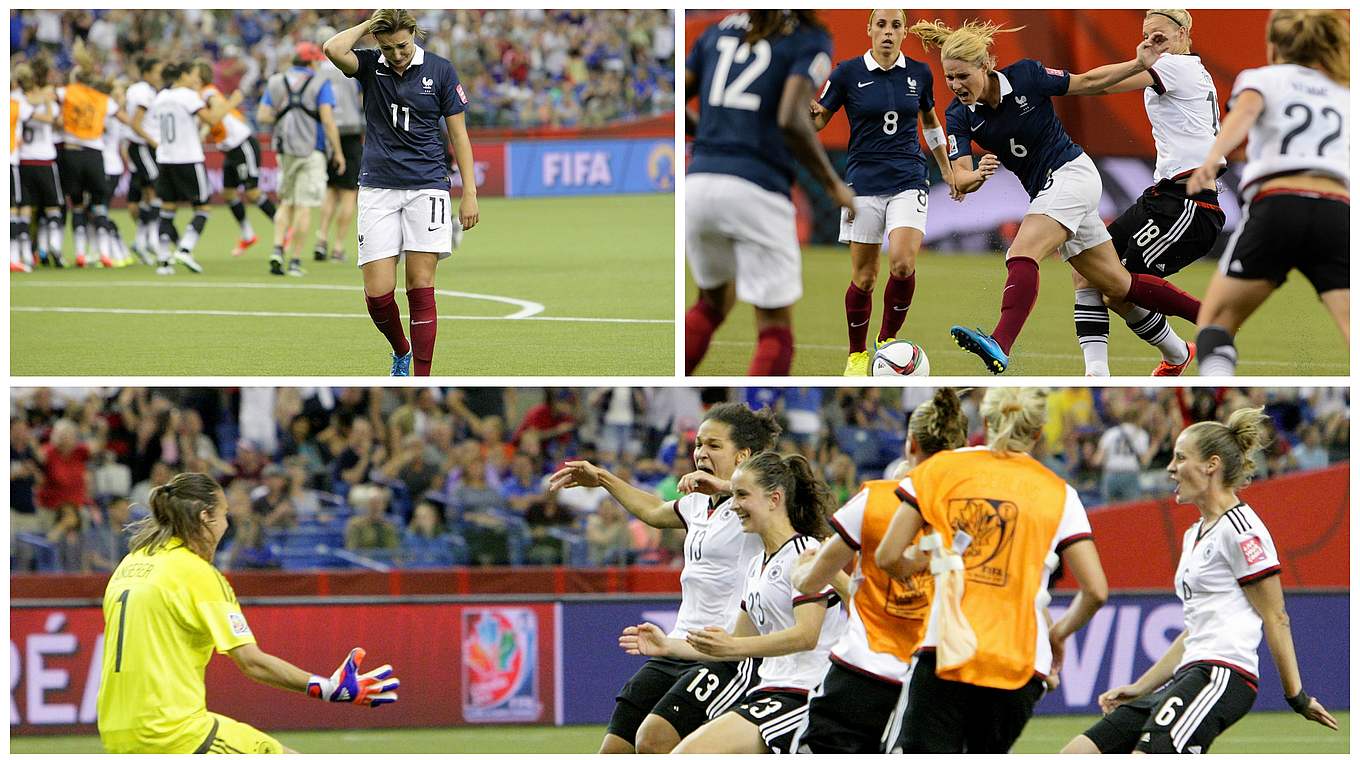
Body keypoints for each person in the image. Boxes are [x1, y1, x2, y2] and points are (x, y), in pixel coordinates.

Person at [911, 19, 1203, 374]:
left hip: (1072, 174)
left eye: (963, 76)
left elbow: (1086, 82)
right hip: (1048, 192)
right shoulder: (958, 115)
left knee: (1022, 250)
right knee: (1116, 284)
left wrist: (1138, 63)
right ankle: (1202, 324)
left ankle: (1000, 343)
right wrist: (976, 175)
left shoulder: (1027, 76)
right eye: (949, 78)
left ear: (985, 66)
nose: (956, 86)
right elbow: (959, 177)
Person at [1062, 407, 1337, 753]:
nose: (1170, 467)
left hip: (1223, 675)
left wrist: (1296, 696)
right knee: (1077, 752)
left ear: (1211, 465)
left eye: (1180, 458)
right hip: (1189, 674)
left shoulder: (1242, 530)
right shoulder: (1194, 534)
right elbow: (1198, 629)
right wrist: (1141, 685)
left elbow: (1276, 615)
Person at [874, 387, 1109, 752]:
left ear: (984, 421)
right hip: (1020, 662)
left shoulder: (941, 469)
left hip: (946, 650)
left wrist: (926, 564)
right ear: (1037, 432)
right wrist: (1057, 634)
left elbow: (888, 556)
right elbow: (1096, 590)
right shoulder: (1061, 494)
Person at [96, 472, 399, 752]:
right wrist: (327, 687)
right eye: (224, 514)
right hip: (172, 732)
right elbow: (252, 663)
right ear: (205, 517)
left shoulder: (129, 565)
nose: (228, 524)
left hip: (115, 731)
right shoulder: (196, 573)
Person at [548, 402, 779, 754]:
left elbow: (793, 504)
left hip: (724, 654)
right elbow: (654, 510)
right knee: (615, 748)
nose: (701, 452)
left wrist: (727, 485)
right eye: (699, 444)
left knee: (654, 739)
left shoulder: (760, 508)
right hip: (677, 646)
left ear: (742, 455)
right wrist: (604, 478)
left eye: (714, 445)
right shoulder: (697, 504)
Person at [622, 451, 845, 754]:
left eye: (742, 495)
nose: (734, 504)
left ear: (774, 499)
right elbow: (732, 642)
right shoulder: (756, 565)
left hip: (805, 693)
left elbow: (806, 636)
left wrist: (734, 648)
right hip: (769, 690)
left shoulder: (805, 552)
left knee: (688, 753)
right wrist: (668, 646)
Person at [791, 387, 968, 753]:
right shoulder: (972, 515)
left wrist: (800, 567)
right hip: (927, 681)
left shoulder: (875, 499)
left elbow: (811, 582)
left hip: (858, 672)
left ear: (911, 444)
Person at [684, 10, 855, 376]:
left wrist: (708, 139)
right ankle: (751, 427)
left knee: (711, 304)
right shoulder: (808, 38)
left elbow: (675, 96)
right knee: (775, 328)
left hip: (698, 184)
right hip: (756, 186)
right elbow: (791, 117)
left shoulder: (716, 31)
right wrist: (832, 183)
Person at [1187, 10, 1349, 376]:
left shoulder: (1264, 78)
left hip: (1279, 205)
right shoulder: (1345, 90)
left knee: (1214, 323)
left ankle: (1214, 390)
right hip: (1337, 212)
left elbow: (1244, 114)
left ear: (1274, 47)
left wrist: (1213, 158)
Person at [324, 9, 480, 377]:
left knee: (420, 286)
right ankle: (400, 349)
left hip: (427, 186)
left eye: (403, 45)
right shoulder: (367, 65)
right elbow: (331, 48)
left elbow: (459, 135)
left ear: (414, 33)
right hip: (377, 186)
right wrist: (369, 25)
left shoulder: (440, 70)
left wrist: (469, 192)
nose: (397, 54)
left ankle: (419, 377)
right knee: (378, 294)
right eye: (389, 47)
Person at [1078, 9, 1227, 376]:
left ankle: (1208, 320)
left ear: (1183, 35)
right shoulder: (1183, 68)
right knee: (1086, 268)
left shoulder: (1178, 67)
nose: (1151, 44)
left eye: (1160, 37)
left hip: (1189, 203)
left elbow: (1104, 83)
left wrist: (1066, 83)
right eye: (1147, 36)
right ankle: (1156, 358)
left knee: (1115, 282)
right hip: (1164, 194)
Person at [811, 10, 958, 376]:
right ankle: (857, 354)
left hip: (909, 178)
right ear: (869, 30)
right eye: (881, 25)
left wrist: (946, 168)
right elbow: (818, 120)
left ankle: (887, 340)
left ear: (904, 32)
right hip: (863, 184)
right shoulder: (847, 73)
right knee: (865, 278)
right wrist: (802, 113)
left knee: (903, 263)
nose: (888, 33)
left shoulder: (920, 73)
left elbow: (931, 122)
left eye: (895, 26)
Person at [258, 43, 343, 277]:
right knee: (304, 206)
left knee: (286, 202)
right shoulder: (319, 82)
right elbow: (327, 120)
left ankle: (277, 249)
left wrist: (286, 115)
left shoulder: (276, 81)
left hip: (285, 150)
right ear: (313, 62)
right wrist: (337, 151)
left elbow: (262, 115)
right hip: (312, 150)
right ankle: (294, 259)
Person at [150, 60, 241, 275]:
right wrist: (232, 102)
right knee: (203, 208)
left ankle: (163, 260)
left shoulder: (161, 97)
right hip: (188, 158)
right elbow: (211, 120)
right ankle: (185, 248)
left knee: (167, 209)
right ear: (183, 75)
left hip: (165, 158)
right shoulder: (188, 96)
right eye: (193, 75)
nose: (196, 80)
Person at [194, 60, 278, 258]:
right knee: (229, 193)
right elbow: (215, 118)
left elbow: (217, 112)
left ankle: (283, 228)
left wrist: (231, 102)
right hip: (229, 150)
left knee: (252, 192)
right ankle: (248, 235)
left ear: (200, 77)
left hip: (242, 145)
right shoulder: (200, 96)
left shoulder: (208, 92)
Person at [313, 24, 365, 264]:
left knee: (331, 190)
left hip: (328, 131)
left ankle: (321, 238)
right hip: (352, 131)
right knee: (348, 193)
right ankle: (338, 247)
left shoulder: (318, 71)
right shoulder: (349, 63)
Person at [15, 57, 65, 267]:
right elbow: (57, 122)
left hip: (22, 160)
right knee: (53, 207)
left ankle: (26, 253)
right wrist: (47, 101)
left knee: (25, 209)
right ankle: (54, 245)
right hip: (44, 160)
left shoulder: (17, 99)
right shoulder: (46, 101)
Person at [124, 55, 163, 264]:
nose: (160, 76)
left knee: (147, 195)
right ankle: (150, 239)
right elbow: (135, 123)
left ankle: (143, 240)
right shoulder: (144, 93)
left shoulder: (137, 89)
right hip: (143, 147)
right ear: (147, 73)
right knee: (155, 190)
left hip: (139, 147)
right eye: (157, 72)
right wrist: (155, 143)